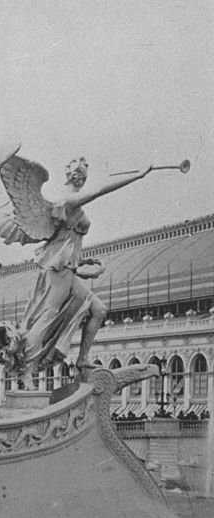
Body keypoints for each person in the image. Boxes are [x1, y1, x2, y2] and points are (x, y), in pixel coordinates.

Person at [22, 157, 153, 375]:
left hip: (68, 268)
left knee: (99, 310)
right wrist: (138, 174)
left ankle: (82, 359)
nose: (83, 179)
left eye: (84, 176)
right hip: (58, 269)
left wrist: (82, 264)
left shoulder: (71, 200)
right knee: (49, 316)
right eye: (80, 175)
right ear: (72, 175)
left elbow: (68, 243)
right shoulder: (65, 200)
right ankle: (26, 368)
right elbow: (98, 191)